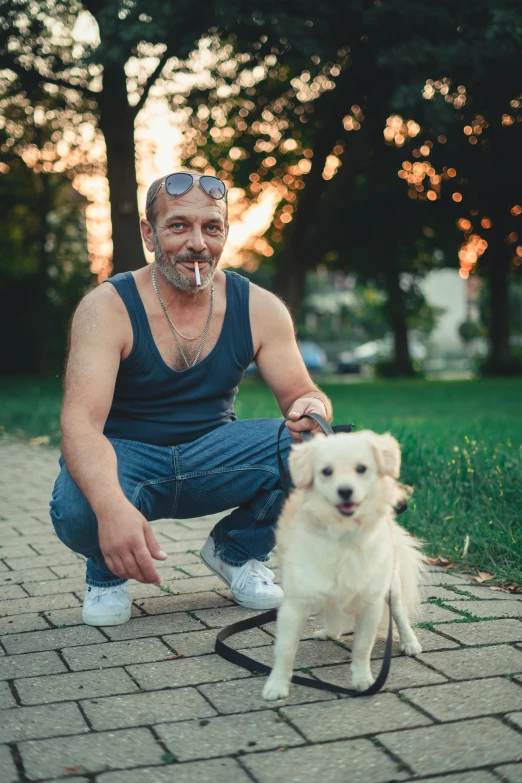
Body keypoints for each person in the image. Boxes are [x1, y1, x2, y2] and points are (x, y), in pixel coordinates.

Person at [49, 170, 332, 626]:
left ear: (224, 233)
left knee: (318, 448)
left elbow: (304, 393)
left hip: (213, 456)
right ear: (149, 233)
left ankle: (236, 552)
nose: (197, 243)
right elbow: (80, 425)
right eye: (178, 225)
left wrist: (312, 410)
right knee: (78, 511)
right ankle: (106, 573)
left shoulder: (260, 306)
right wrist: (111, 509)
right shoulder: (107, 307)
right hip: (127, 460)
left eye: (211, 227)